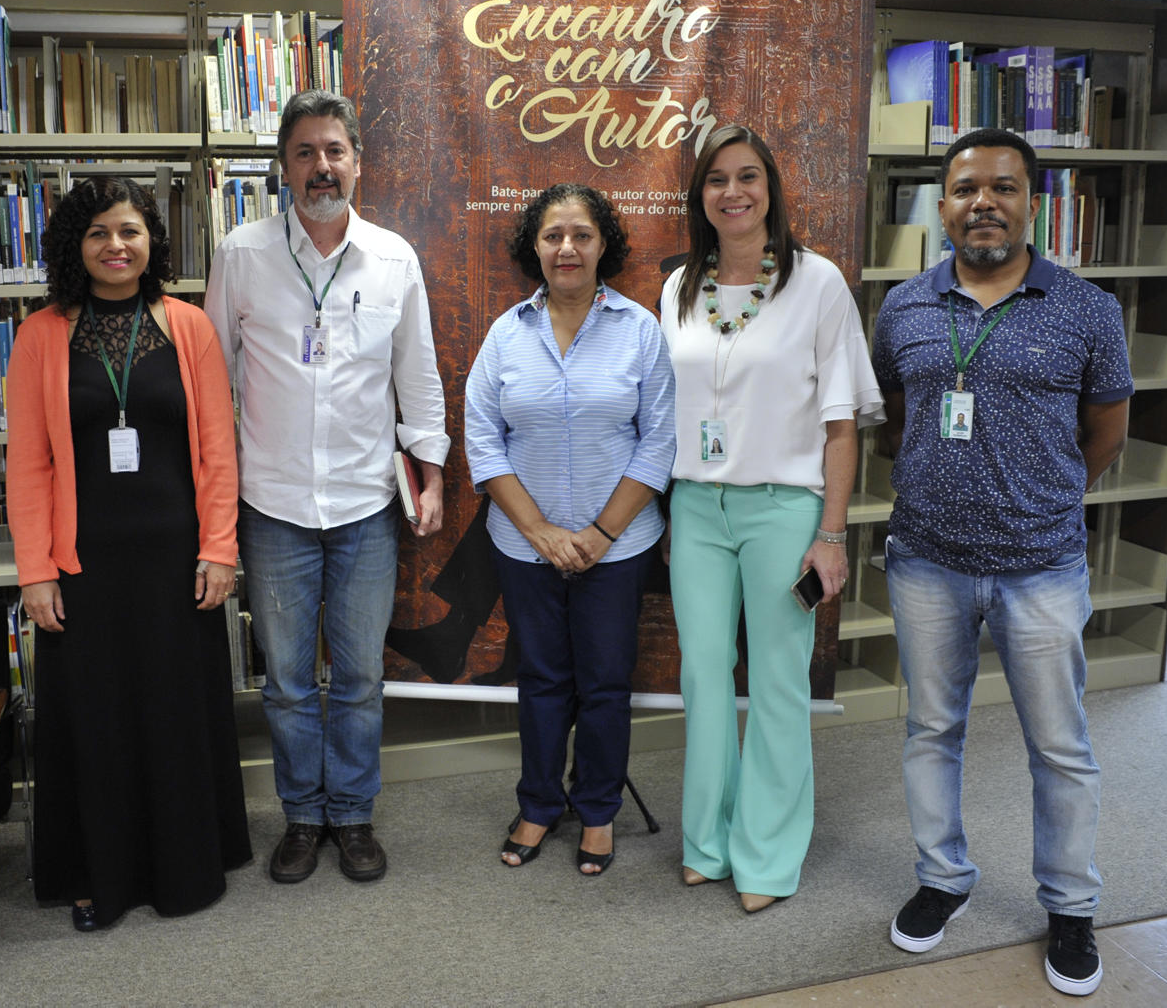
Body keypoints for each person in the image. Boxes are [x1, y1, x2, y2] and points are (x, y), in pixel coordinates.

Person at [873, 127, 1131, 997]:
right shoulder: (903, 305)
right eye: (967, 187)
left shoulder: (1090, 310)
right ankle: (942, 878)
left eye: (1005, 187)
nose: (984, 201)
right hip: (926, 563)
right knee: (931, 730)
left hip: (1042, 566)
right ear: (943, 204)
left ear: (1032, 202)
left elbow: (1107, 433)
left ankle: (1069, 906)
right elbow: (896, 418)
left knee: (1060, 745)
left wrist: (1040, 496)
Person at [205, 89, 448, 885]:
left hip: (365, 505)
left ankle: (352, 813)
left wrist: (433, 473)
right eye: (305, 152)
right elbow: (215, 381)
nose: (321, 167)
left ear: (358, 161)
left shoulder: (393, 257)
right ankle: (302, 816)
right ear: (282, 166)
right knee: (284, 681)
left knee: (359, 676)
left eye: (334, 150)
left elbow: (417, 373)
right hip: (272, 507)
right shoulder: (242, 253)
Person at [7, 174, 249, 931]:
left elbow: (217, 448)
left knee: (175, 711)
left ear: (152, 242)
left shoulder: (189, 326)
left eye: (131, 231)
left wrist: (219, 548)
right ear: (75, 247)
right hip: (83, 567)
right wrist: (36, 570)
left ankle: (184, 865)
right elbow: (28, 463)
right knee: (96, 721)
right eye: (100, 234)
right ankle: (96, 874)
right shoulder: (41, 333)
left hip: (178, 563)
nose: (117, 246)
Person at [661, 124, 882, 913]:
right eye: (716, 179)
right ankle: (708, 841)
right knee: (703, 675)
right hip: (696, 507)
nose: (732, 192)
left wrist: (831, 533)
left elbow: (842, 426)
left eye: (747, 177)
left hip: (784, 508)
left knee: (780, 681)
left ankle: (767, 853)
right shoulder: (679, 284)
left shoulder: (815, 282)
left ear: (771, 189)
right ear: (700, 196)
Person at [465, 183, 675, 875]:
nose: (567, 248)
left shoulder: (639, 330)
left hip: (617, 548)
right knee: (543, 679)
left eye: (582, 234)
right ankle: (538, 803)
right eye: (554, 235)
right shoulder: (506, 333)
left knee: (606, 684)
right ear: (534, 244)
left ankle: (597, 809)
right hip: (524, 546)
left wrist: (600, 535)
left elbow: (658, 443)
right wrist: (543, 533)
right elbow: (483, 441)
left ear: (603, 244)